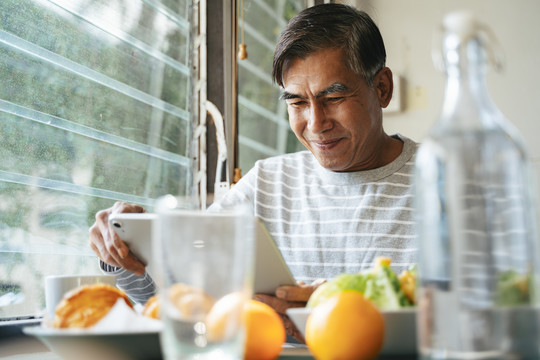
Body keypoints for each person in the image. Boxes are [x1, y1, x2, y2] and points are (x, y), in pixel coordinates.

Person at [89, 3, 417, 341]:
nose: (316, 124)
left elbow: (467, 325)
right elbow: (175, 308)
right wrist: (122, 251)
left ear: (382, 88)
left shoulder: (450, 185)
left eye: (333, 97)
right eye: (297, 103)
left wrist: (341, 318)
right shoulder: (266, 184)